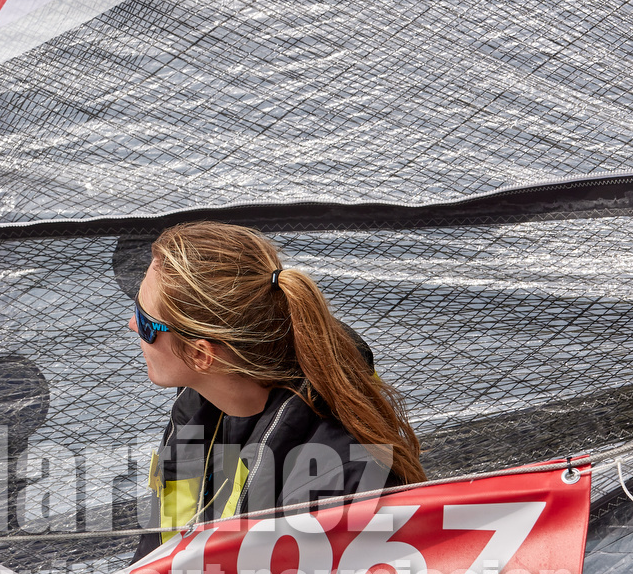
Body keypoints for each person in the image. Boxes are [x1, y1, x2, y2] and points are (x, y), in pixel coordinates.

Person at [130, 221, 424, 546]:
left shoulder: (339, 479)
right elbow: (153, 558)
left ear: (202, 355)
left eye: (145, 322)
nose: (130, 325)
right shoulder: (198, 409)